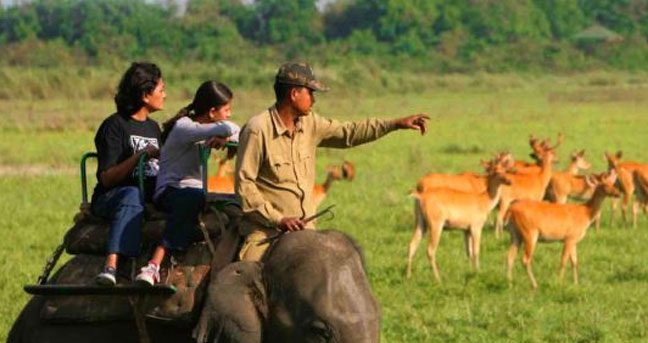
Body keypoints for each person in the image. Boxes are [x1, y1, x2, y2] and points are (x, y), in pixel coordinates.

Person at [235, 61, 429, 261]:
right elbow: (245, 186)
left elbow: (349, 132)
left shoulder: (311, 123)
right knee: (250, 277)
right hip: (267, 233)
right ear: (294, 94)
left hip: (305, 232)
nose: (313, 100)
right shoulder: (257, 130)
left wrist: (395, 124)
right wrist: (279, 219)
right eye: (310, 93)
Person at [135, 80, 240, 285]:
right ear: (211, 112)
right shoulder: (185, 127)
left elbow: (238, 131)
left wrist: (225, 138)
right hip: (172, 190)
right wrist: (224, 134)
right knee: (192, 198)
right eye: (226, 109)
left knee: (236, 202)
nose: (229, 113)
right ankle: (154, 264)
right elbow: (230, 127)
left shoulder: (207, 129)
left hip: (196, 191)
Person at [91, 62, 165, 286]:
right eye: (161, 90)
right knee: (132, 195)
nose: (165, 95)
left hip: (147, 194)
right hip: (114, 197)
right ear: (145, 94)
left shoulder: (154, 128)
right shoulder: (114, 126)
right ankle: (112, 266)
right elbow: (106, 177)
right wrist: (139, 157)